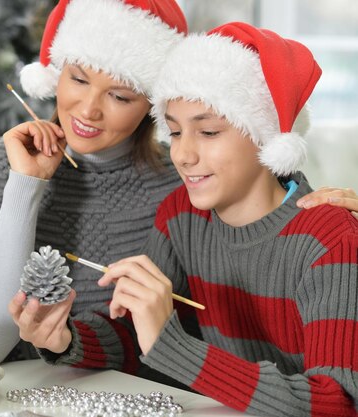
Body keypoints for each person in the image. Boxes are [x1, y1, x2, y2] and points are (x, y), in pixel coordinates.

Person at [19, 22, 358, 416]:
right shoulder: (181, 215)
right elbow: (136, 337)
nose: (182, 155)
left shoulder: (331, 240)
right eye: (176, 132)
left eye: (209, 132)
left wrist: (170, 344)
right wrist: (66, 338)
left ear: (267, 135)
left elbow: (338, 402)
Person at [0, 0, 190, 368]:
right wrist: (26, 184)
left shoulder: (183, 180)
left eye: (119, 96)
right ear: (56, 73)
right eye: (79, 79)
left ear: (152, 104)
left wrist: (294, 189)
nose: (88, 110)